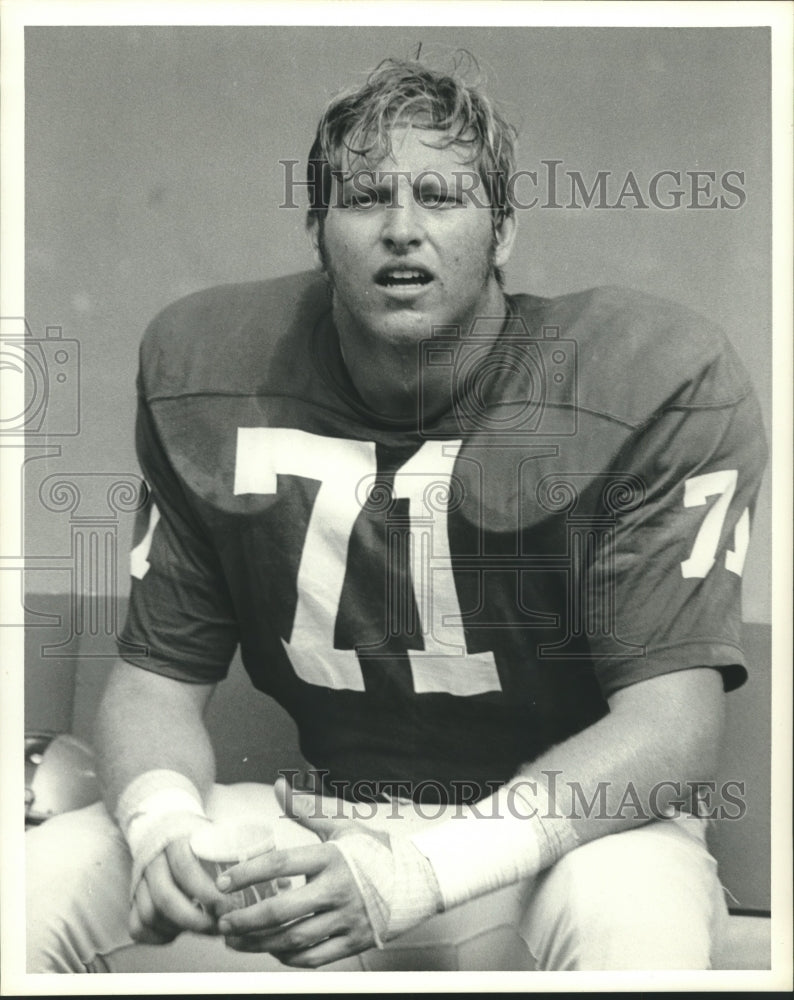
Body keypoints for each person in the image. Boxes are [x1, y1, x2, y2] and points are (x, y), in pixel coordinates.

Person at [27, 55, 767, 974]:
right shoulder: (208, 368)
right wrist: (162, 828)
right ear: (317, 230)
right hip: (327, 822)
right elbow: (153, 684)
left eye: (441, 197)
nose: (402, 229)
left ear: (503, 230)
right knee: (43, 875)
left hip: (563, 844)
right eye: (366, 197)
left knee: (631, 912)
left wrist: (420, 872)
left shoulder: (650, 375)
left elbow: (672, 727)